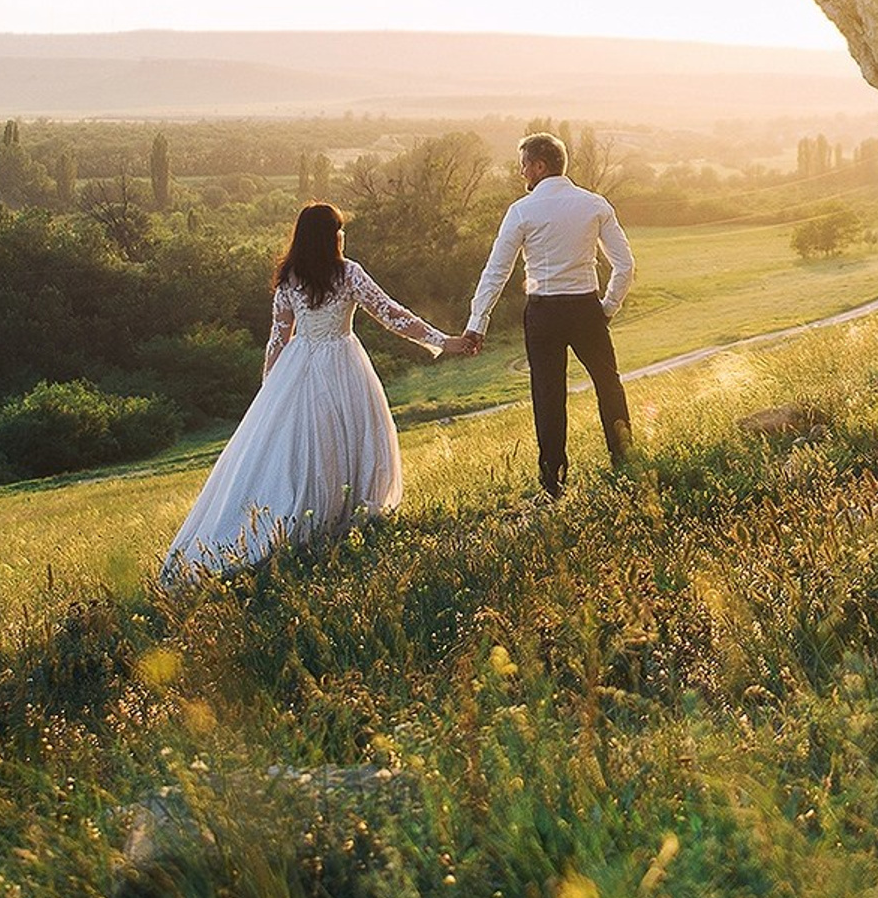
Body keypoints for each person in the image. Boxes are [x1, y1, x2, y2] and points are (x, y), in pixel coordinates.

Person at [159, 202, 469, 583]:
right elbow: (391, 314)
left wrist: (270, 388)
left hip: (300, 362)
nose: (343, 235)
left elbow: (277, 338)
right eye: (339, 229)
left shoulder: (290, 277)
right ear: (330, 236)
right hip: (341, 360)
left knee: (311, 444)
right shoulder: (348, 273)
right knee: (344, 437)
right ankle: (336, 513)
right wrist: (444, 341)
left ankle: (318, 514)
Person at [454, 131, 635, 496]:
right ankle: (626, 460)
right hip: (587, 309)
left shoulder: (522, 211)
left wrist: (477, 324)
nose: (522, 173)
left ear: (539, 166)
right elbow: (626, 266)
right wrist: (608, 308)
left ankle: (553, 482)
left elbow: (496, 271)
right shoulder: (594, 204)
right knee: (608, 384)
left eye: (524, 166)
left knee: (548, 395)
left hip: (543, 314)